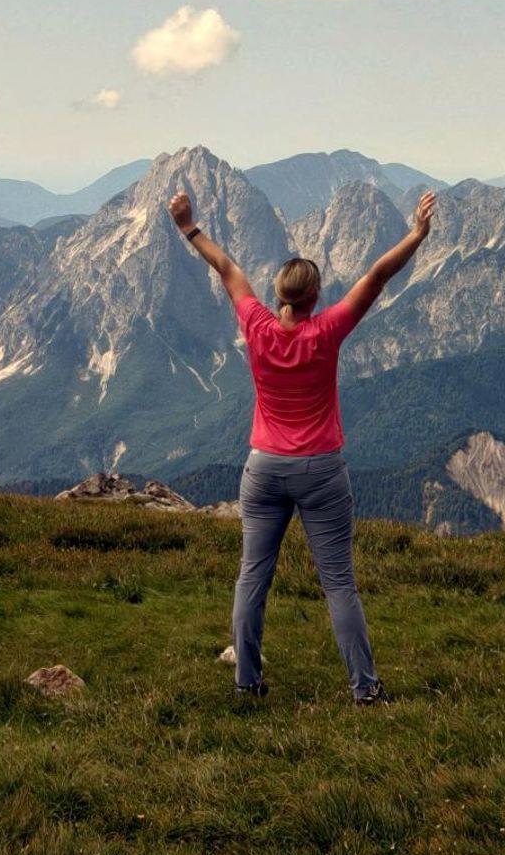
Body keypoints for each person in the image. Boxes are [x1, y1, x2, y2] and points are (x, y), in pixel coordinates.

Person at [167, 184, 437, 704]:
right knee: (338, 584)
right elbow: (378, 275)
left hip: (264, 468)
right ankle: (365, 689)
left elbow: (225, 267)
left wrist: (187, 226)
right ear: (314, 298)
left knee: (252, 578)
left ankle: (247, 682)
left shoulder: (257, 325)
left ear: (279, 295)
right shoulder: (327, 331)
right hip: (320, 471)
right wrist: (417, 234)